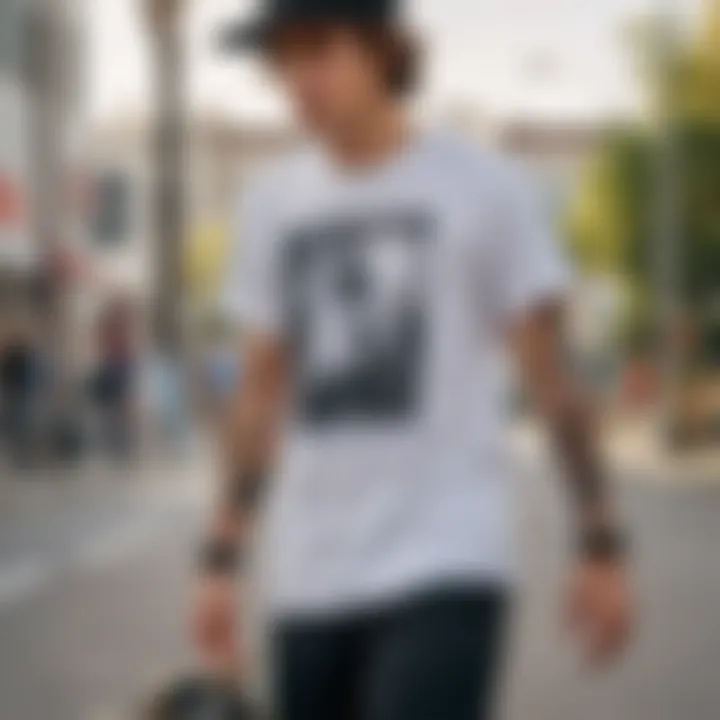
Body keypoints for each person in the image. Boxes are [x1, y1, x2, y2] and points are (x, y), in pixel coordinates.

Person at [193, 1, 635, 718]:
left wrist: (601, 538)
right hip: (310, 575)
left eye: (319, 50)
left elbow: (552, 379)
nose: (296, 79)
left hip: (447, 560)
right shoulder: (270, 205)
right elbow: (259, 396)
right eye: (283, 59)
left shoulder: (487, 190)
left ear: (385, 48)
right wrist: (219, 560)